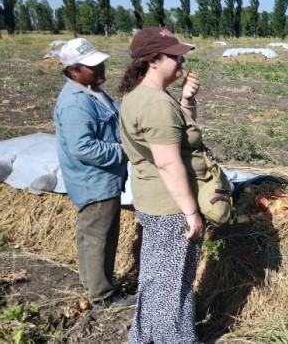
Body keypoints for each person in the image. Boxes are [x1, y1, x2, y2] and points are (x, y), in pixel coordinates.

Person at [119, 27, 204, 343]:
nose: (182, 61)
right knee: (174, 285)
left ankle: (143, 337)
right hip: (170, 206)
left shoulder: (140, 96)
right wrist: (191, 212)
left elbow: (175, 138)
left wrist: (186, 100)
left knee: (155, 279)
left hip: (150, 198)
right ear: (154, 59)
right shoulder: (156, 104)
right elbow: (169, 163)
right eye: (175, 56)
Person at [53, 38, 135, 309]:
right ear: (73, 70)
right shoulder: (77, 103)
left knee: (91, 235)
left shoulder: (90, 91)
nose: (100, 67)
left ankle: (92, 285)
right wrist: (123, 151)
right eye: (91, 65)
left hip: (98, 179)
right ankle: (103, 295)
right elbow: (83, 147)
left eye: (100, 61)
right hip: (95, 181)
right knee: (101, 237)